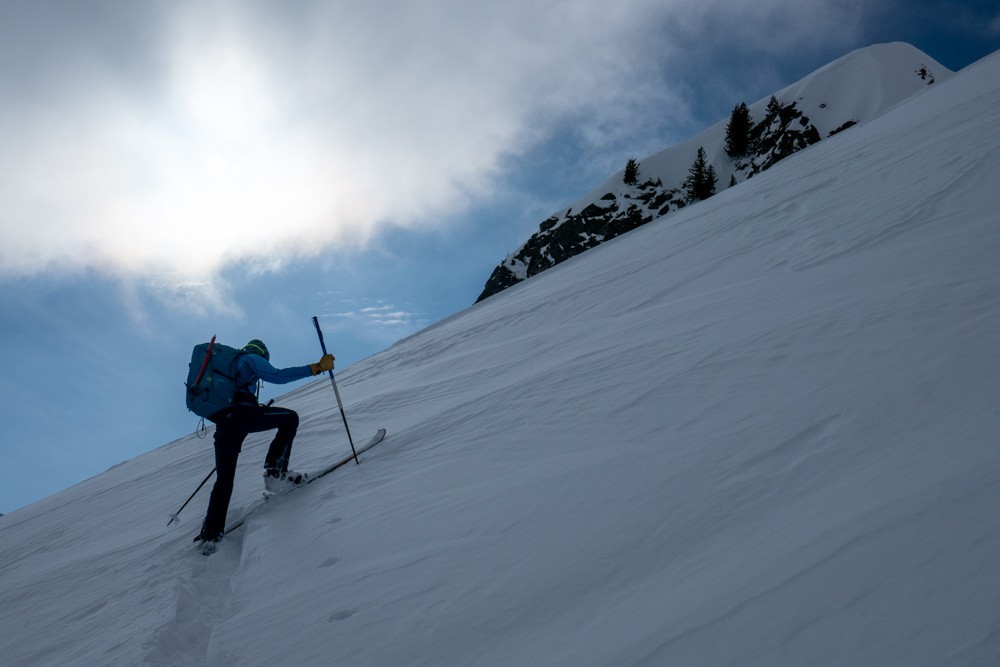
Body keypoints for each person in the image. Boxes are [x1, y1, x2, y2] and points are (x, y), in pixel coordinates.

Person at [197, 339, 334, 554]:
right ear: (262, 353)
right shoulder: (251, 359)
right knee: (290, 418)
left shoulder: (230, 367)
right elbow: (277, 376)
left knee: (224, 480)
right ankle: (275, 472)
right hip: (242, 417)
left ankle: (210, 535)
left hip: (224, 425)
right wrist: (316, 368)